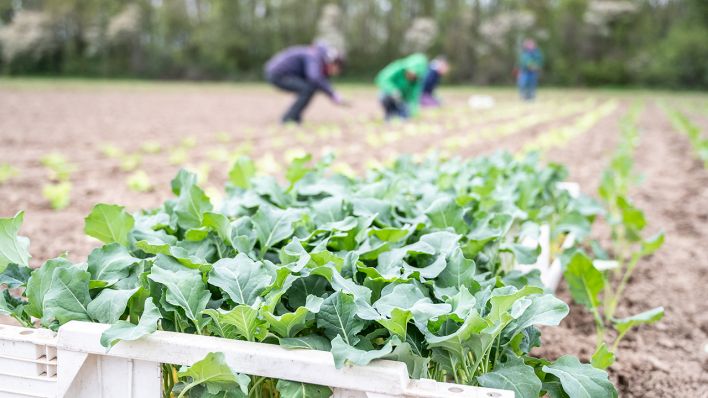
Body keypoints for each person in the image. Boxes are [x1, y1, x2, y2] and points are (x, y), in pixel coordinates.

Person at [265, 42, 346, 124]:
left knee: (309, 88)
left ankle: (294, 117)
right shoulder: (314, 56)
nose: (335, 71)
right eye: (337, 68)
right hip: (278, 74)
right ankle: (288, 119)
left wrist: (330, 92)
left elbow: (317, 78)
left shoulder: (316, 55)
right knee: (307, 89)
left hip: (282, 74)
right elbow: (314, 77)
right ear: (332, 62)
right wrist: (332, 93)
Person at [375, 53, 429, 121]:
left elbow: (414, 97)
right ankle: (389, 113)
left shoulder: (416, 82)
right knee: (383, 97)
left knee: (405, 114)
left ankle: (398, 115)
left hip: (403, 101)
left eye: (415, 75)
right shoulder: (398, 67)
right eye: (411, 72)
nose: (412, 76)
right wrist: (392, 90)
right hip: (390, 96)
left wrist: (414, 111)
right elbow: (382, 78)